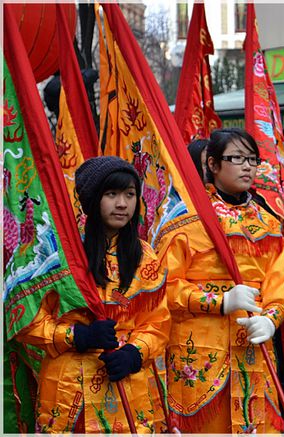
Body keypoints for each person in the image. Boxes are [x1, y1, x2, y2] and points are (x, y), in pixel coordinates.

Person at [16, 156, 170, 433]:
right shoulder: (57, 254)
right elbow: (25, 320)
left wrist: (135, 353)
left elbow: (158, 321)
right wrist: (77, 336)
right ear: (91, 199)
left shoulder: (145, 255)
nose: (122, 204)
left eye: (130, 194)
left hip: (128, 384)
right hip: (69, 392)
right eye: (111, 194)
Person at [157, 128, 284, 433]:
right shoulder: (186, 218)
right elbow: (163, 286)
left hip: (252, 348)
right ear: (213, 165)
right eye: (236, 158)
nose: (247, 167)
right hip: (201, 352)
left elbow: (279, 284)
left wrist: (271, 319)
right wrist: (220, 302)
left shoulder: (267, 223)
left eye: (252, 160)